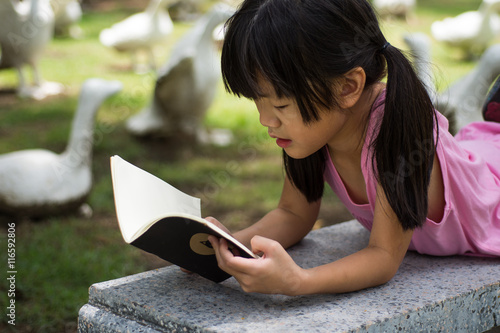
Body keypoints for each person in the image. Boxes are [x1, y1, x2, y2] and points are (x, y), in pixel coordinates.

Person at [204, 0, 500, 295]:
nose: (265, 119)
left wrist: (298, 281)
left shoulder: (395, 131)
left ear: (347, 87)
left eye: (280, 104)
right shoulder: (313, 126)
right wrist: (227, 245)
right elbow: (294, 214)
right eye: (258, 101)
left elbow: (383, 257)